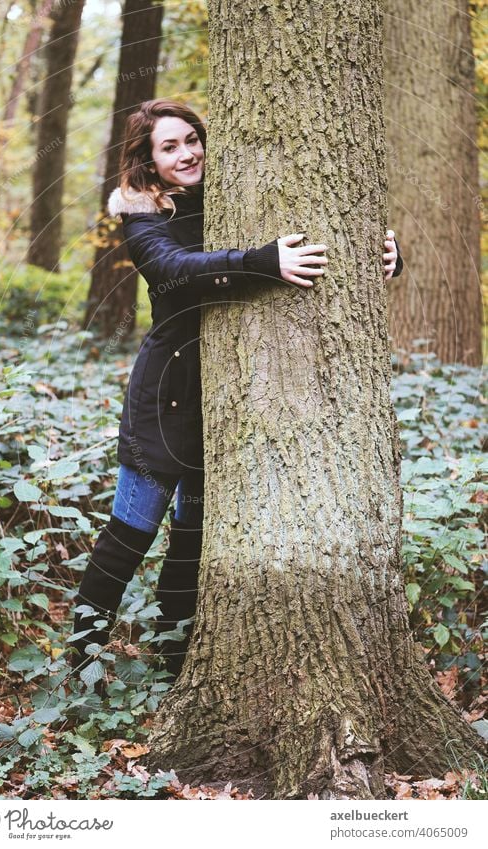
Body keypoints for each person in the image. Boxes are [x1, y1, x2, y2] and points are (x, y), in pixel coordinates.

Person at [69, 98, 403, 680]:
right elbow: (172, 269)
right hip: (166, 397)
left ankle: (174, 668)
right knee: (130, 535)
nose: (186, 152)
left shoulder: (237, 189)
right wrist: (262, 261)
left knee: (192, 541)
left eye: (191, 138)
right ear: (147, 161)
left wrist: (389, 256)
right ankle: (78, 668)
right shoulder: (143, 215)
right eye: (168, 146)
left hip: (229, 398)